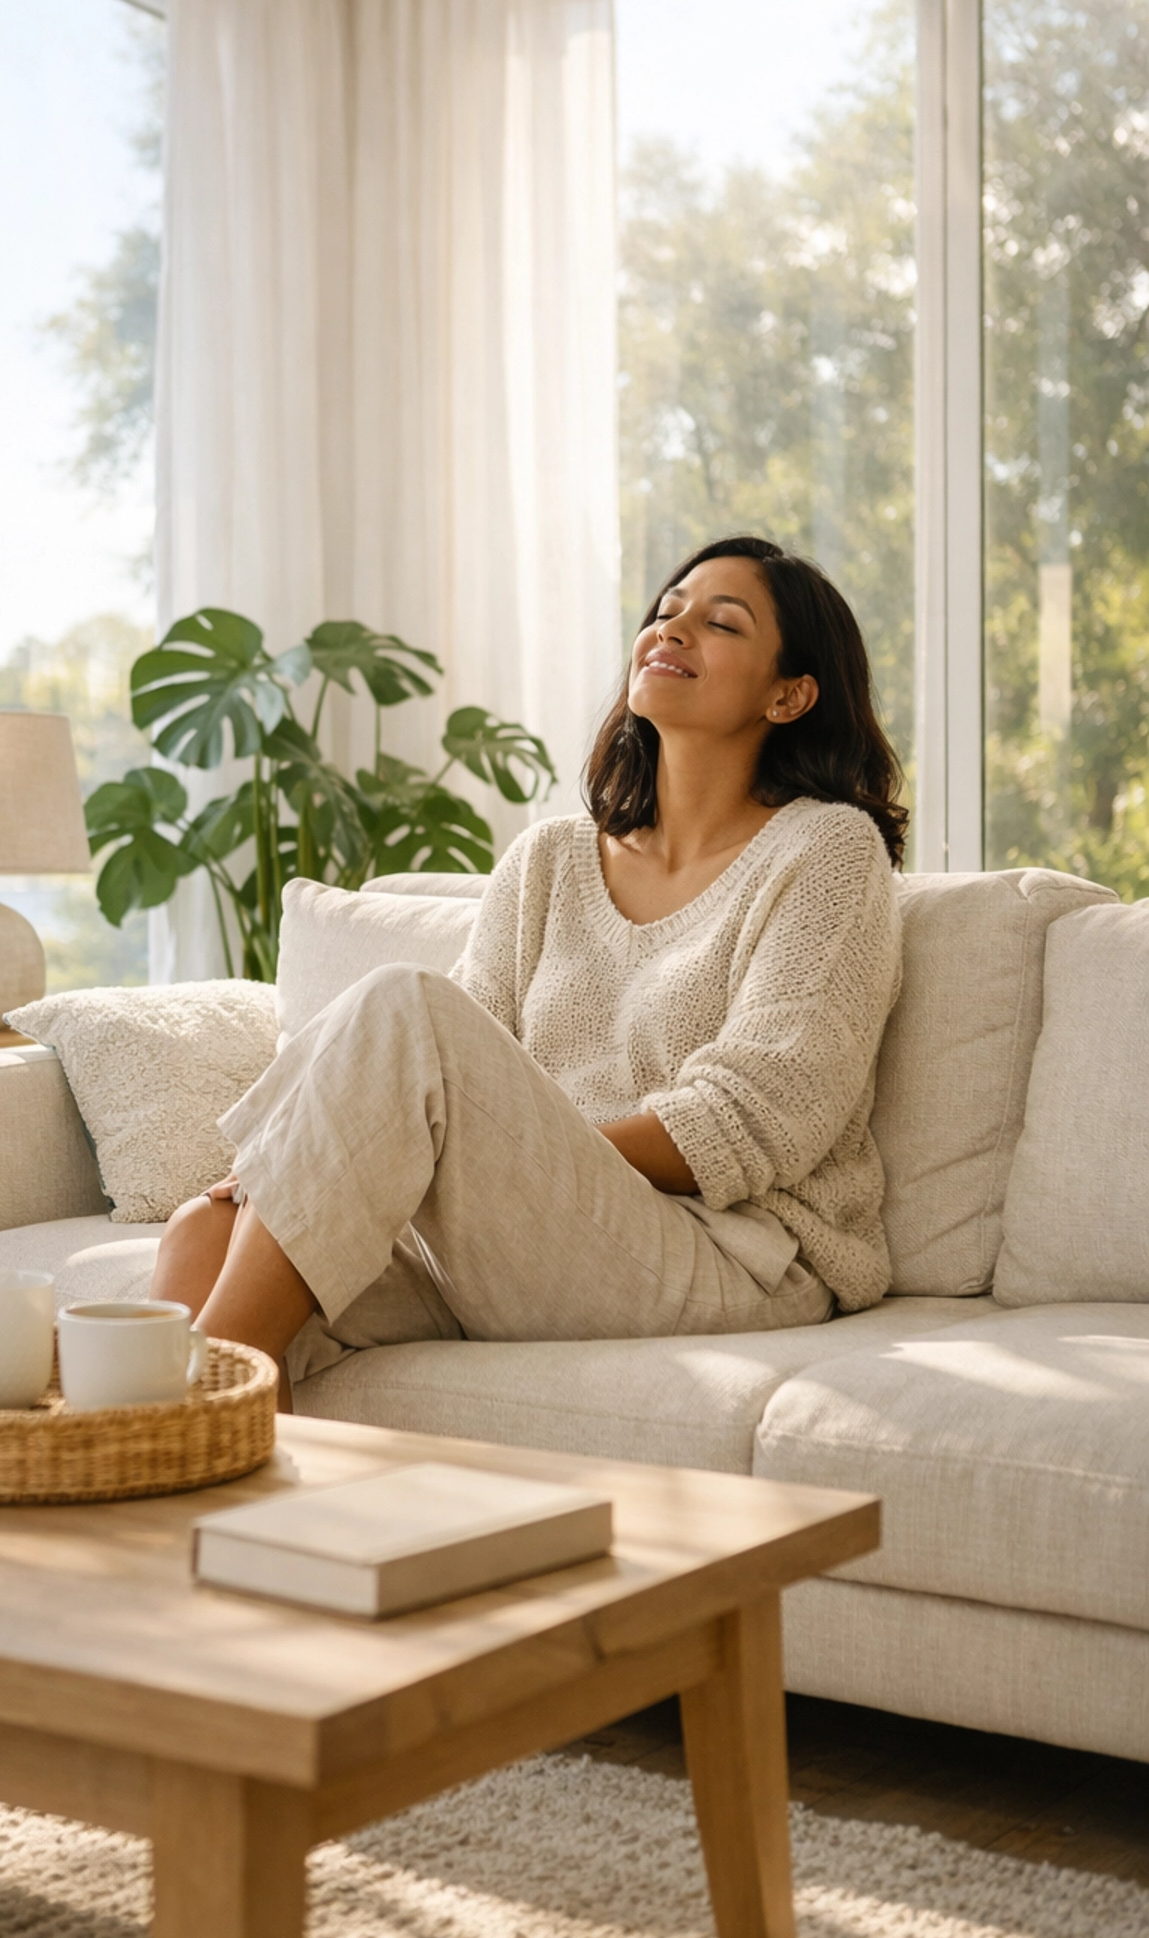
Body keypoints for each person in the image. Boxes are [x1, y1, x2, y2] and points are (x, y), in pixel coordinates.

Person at [151, 535, 908, 1411]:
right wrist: (349, 1160)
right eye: (666, 611)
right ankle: (234, 1508)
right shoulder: (550, 859)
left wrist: (527, 1157)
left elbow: (755, 1120)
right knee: (205, 1232)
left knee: (407, 1004)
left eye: (720, 622)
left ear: (791, 693)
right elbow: (462, 1055)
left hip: (726, 1251)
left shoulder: (827, 852)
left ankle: (197, 1412)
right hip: (531, 1233)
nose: (673, 629)